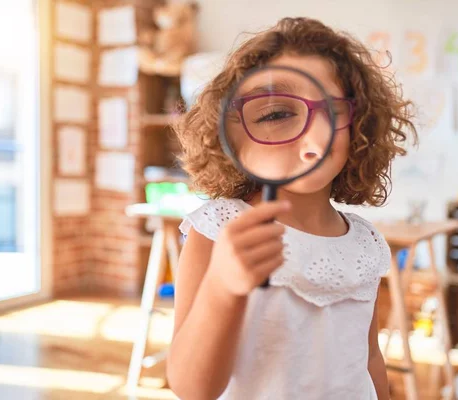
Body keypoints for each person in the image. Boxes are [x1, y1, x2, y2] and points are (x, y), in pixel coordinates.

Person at [167, 17, 416, 400]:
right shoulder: (218, 231)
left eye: (333, 113)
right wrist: (223, 286)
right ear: (232, 134)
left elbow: (369, 360)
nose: (314, 137)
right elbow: (190, 388)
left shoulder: (365, 243)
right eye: (277, 114)